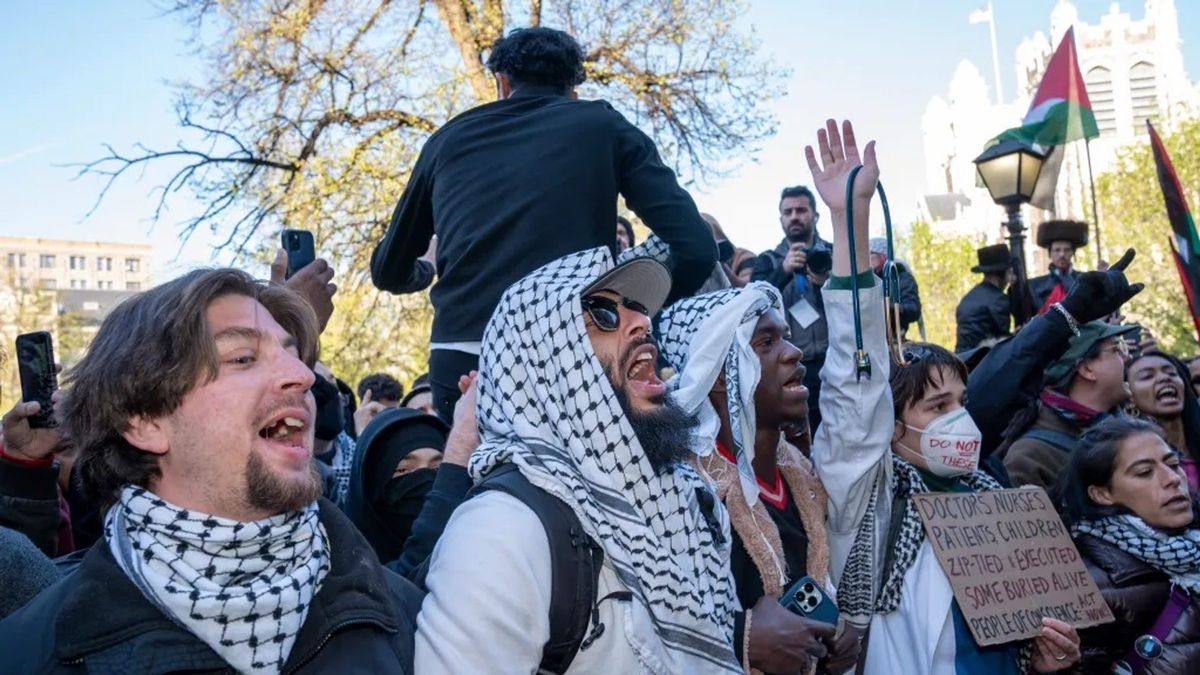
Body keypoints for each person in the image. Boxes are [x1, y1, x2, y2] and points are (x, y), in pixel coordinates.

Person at [0, 268, 423, 674]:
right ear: (143, 422)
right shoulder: (30, 654)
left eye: (294, 356)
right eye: (242, 357)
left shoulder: (408, 619)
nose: (301, 375)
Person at [801, 118, 1080, 674]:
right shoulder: (868, 501)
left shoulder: (996, 501)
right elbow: (854, 394)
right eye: (935, 407)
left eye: (960, 401)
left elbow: (1015, 640)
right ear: (892, 427)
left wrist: (1045, 658)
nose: (958, 419)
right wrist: (849, 223)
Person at [415, 249, 741, 673]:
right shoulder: (501, 532)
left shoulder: (686, 499)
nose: (642, 323)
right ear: (550, 362)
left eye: (638, 309)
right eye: (603, 313)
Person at [371, 26, 715, 422]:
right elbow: (696, 246)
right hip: (571, 350)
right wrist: (633, 311)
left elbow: (387, 271)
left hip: (464, 354)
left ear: (502, 82)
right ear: (572, 89)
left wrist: (426, 269)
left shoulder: (446, 141)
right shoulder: (602, 125)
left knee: (470, 479)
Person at [657, 281, 859, 674]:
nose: (795, 352)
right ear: (718, 376)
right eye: (766, 344)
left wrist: (836, 636)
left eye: (786, 337)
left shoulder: (802, 476)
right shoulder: (684, 487)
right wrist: (741, 639)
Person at [1055, 417, 1200, 674]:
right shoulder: (1090, 589)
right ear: (1102, 494)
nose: (1172, 479)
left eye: (1173, 464)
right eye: (1145, 472)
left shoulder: (1191, 547)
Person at [1002, 321, 1137, 489]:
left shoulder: (1132, 428)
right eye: (1117, 349)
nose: (1128, 356)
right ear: (1087, 369)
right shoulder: (1030, 458)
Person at [751, 185, 833, 430]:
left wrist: (824, 283)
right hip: (791, 367)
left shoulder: (834, 254)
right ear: (781, 219)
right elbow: (752, 307)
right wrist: (783, 271)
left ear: (815, 215)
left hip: (834, 361)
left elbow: (853, 306)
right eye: (788, 212)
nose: (794, 216)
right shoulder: (767, 261)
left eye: (801, 210)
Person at [1127, 351, 1200, 493]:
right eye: (1147, 376)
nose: (1164, 378)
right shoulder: (1134, 462)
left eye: (1172, 373)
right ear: (1130, 399)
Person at [954, 244, 1014, 352]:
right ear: (1001, 273)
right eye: (1009, 271)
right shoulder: (998, 299)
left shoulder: (970, 296)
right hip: (981, 358)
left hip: (962, 357)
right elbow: (1004, 341)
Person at [1029, 220, 1088, 314]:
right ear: (1050, 253)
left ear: (1073, 252)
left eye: (1067, 250)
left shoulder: (1085, 280)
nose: (1062, 254)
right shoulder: (1034, 286)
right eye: (1057, 250)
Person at [869, 237, 922, 336]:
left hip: (895, 338)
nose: (867, 258)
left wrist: (890, 307)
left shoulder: (902, 278)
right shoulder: (868, 281)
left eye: (871, 253)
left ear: (883, 256)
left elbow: (913, 310)